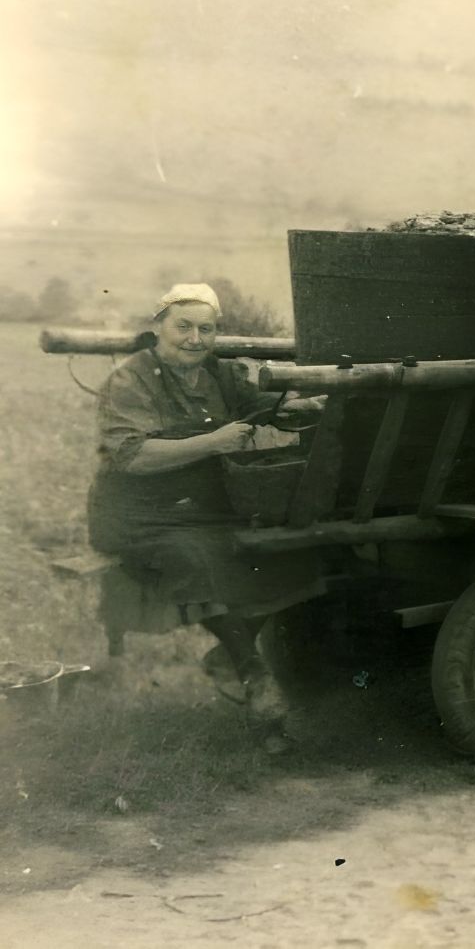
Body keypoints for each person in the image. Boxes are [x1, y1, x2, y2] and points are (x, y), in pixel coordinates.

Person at [87, 283, 326, 753]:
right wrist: (214, 442)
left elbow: (267, 405)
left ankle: (224, 658)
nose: (194, 338)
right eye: (183, 326)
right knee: (196, 558)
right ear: (158, 327)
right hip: (136, 514)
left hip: (205, 507)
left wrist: (306, 405)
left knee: (289, 550)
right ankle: (253, 674)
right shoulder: (129, 380)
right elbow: (132, 457)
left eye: (206, 329)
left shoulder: (220, 375)